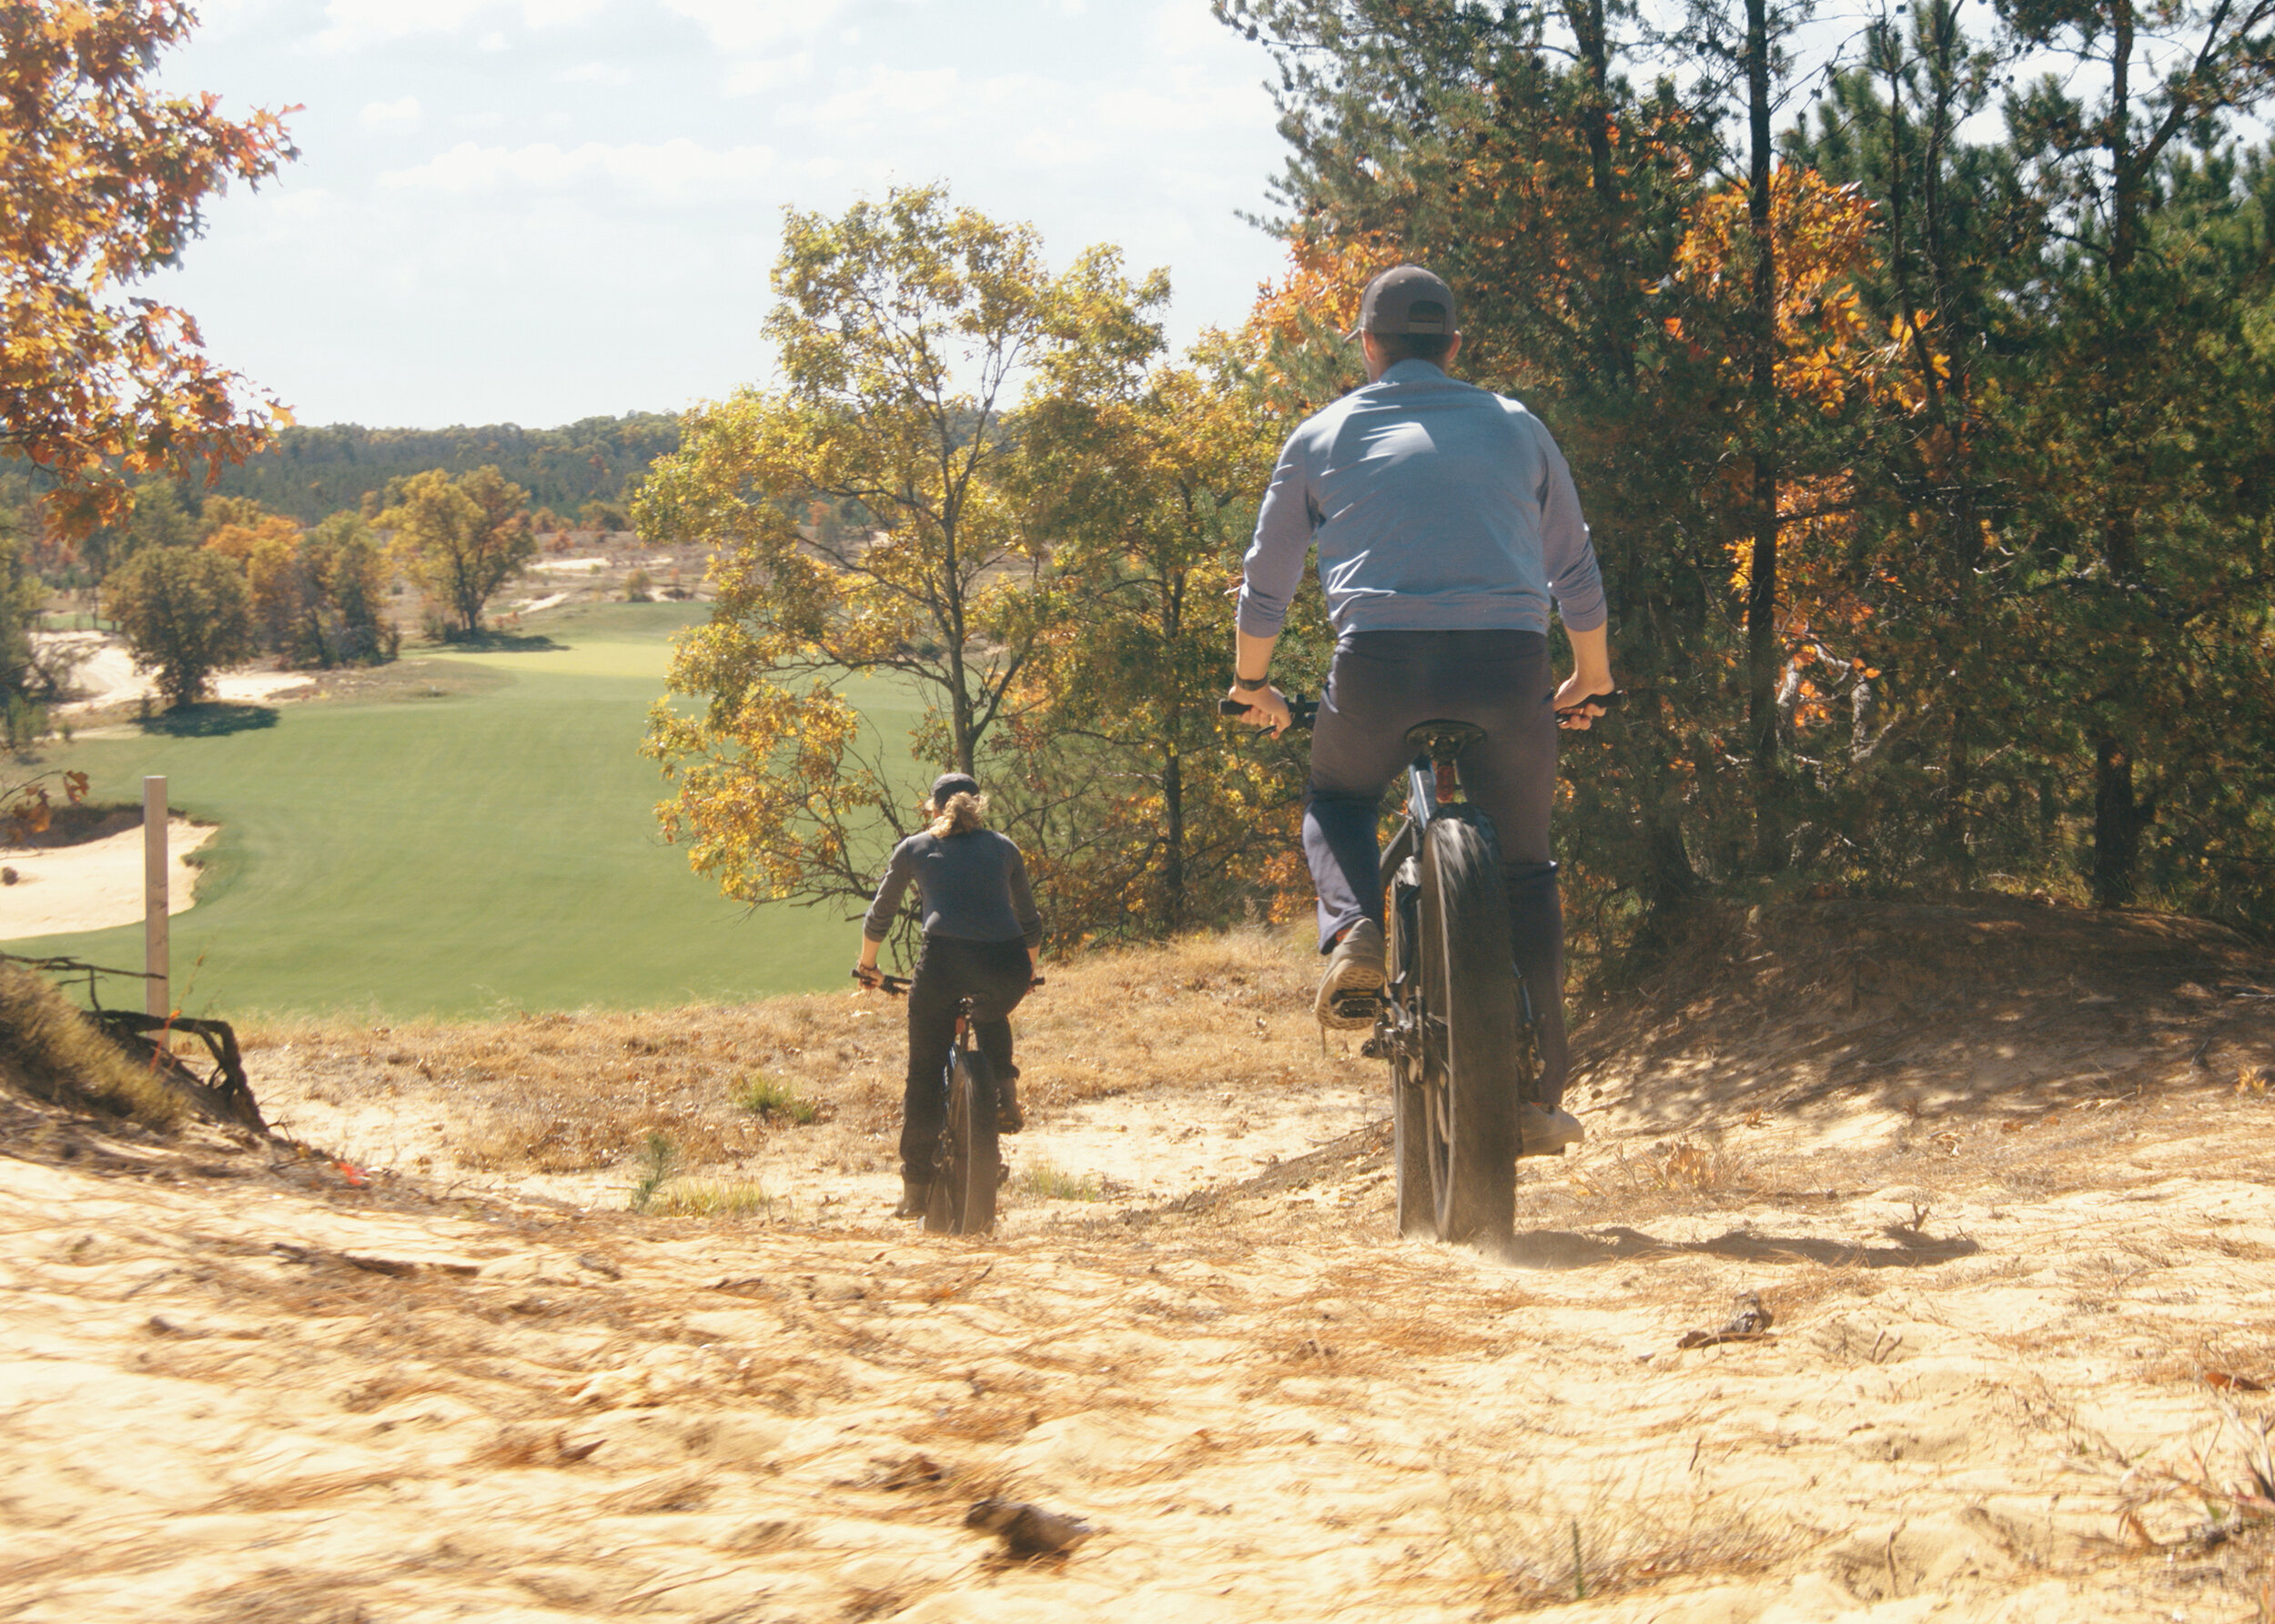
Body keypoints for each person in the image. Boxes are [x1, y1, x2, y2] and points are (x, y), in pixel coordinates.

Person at [1228, 265, 1613, 1156]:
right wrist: (1588, 677)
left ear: (1368, 347)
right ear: (1455, 346)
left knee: (1338, 798)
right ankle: (1536, 1087)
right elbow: (1575, 570)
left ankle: (1357, 930)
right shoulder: (1517, 427)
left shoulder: (1320, 435)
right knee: (1523, 869)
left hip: (1378, 670)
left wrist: (1252, 683)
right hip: (1508, 669)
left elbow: (1266, 580)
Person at [855, 772, 1044, 1216]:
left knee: (924, 1073)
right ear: (979, 808)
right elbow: (1031, 923)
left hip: (943, 963)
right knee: (993, 1012)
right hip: (1007, 964)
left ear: (934, 810)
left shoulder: (916, 848)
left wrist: (867, 966)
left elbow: (880, 915)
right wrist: (1027, 974)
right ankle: (1003, 1093)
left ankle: (916, 1187)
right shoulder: (1004, 848)